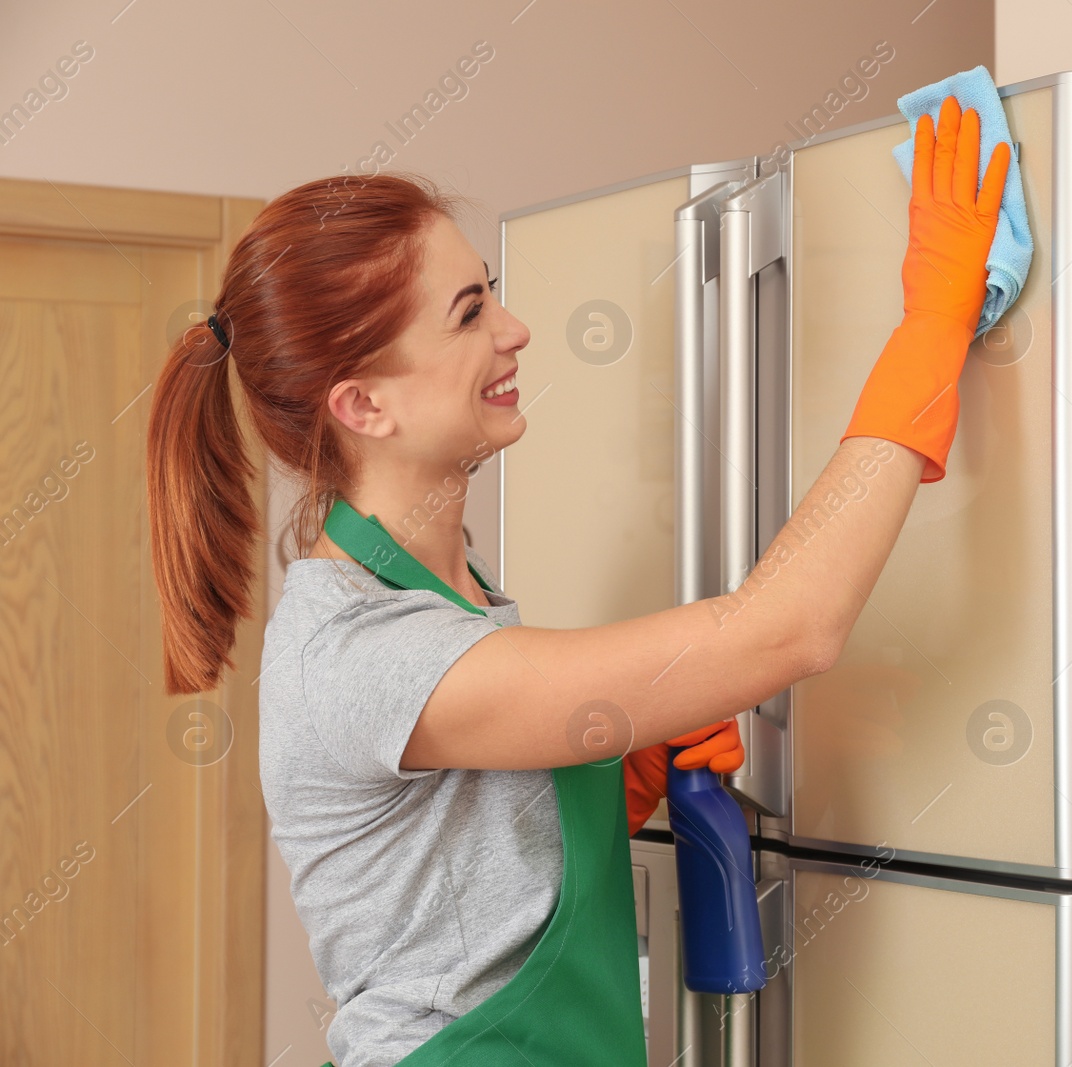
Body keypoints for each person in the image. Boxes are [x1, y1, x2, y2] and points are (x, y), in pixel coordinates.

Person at [145, 95, 1006, 1067]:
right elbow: (788, 628)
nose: (514, 329)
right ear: (362, 404)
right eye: (470, 313)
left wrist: (608, 782)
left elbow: (470, 890)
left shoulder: (449, 589)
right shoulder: (363, 649)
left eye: (491, 290)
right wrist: (932, 324)